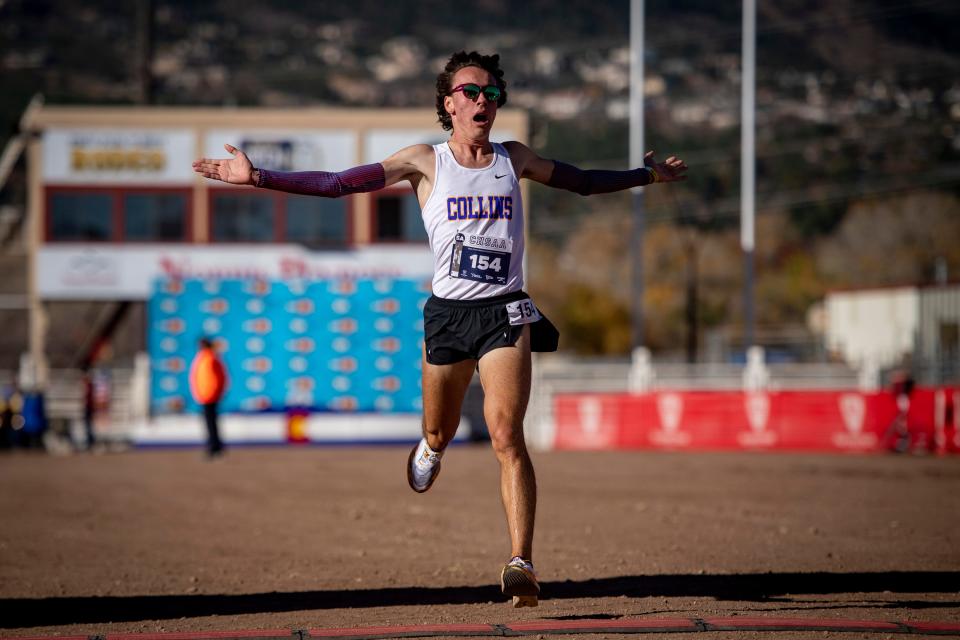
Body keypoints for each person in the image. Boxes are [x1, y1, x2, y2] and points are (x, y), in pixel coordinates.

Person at [192, 50, 687, 606]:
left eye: (491, 94)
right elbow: (336, 183)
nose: (483, 101)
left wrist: (647, 174)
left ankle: (520, 561)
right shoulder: (424, 162)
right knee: (439, 431)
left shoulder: (513, 157)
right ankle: (430, 449)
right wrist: (258, 176)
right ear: (448, 103)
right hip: (449, 317)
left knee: (506, 435)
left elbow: (583, 182)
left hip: (505, 310)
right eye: (471, 93)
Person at [189, 337, 228, 458]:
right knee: (210, 422)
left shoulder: (209, 358)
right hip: (205, 394)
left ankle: (214, 446)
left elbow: (217, 378)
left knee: (211, 422)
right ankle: (214, 445)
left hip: (209, 395)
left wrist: (215, 392)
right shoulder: (206, 357)